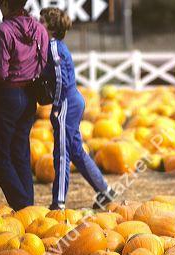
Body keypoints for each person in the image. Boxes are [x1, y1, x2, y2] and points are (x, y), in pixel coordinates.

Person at [39, 8, 117, 210]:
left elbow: (60, 80)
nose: (38, 24)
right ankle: (105, 191)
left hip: (66, 102)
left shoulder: (54, 47)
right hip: (71, 100)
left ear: (51, 27)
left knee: (62, 153)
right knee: (75, 151)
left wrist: (56, 105)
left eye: (41, 21)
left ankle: (59, 203)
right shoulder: (53, 46)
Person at [0, 0, 49, 211]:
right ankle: (29, 208)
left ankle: (22, 206)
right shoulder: (39, 29)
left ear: (5, 3)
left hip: (7, 95)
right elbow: (44, 63)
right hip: (30, 93)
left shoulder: (2, 31)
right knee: (21, 151)